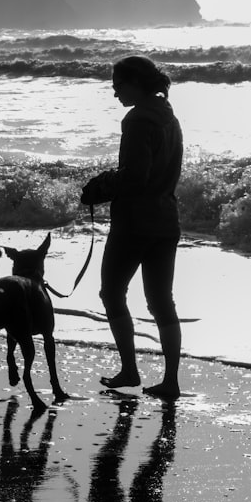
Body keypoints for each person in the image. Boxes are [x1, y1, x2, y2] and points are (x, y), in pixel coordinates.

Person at [80, 55, 183, 399]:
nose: (114, 94)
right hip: (166, 220)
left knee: (112, 293)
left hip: (135, 222)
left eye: (118, 86)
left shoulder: (137, 119)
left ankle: (129, 370)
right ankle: (170, 381)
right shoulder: (170, 117)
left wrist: (101, 185)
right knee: (161, 302)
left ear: (135, 83)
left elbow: (136, 176)